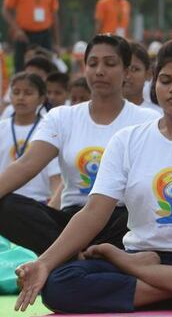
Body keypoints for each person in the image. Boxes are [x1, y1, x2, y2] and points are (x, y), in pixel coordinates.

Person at [14, 38, 172, 314]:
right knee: (59, 284)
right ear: (155, 85)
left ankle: (153, 282)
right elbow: (94, 211)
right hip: (144, 253)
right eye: (165, 80)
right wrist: (44, 263)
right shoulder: (128, 140)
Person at [0, 35, 159, 255]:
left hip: (119, 220)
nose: (99, 71)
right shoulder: (62, 117)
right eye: (92, 64)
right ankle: (73, 254)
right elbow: (26, 164)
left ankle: (74, 256)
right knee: (5, 206)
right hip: (69, 220)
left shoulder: (147, 119)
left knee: (134, 218)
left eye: (110, 64)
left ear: (126, 71)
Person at [0, 73, 60, 206]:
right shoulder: (2, 127)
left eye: (28, 93)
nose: (21, 98)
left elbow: (56, 176)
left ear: (41, 99)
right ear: (10, 96)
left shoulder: (48, 130)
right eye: (16, 92)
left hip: (37, 202)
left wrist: (54, 208)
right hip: (4, 199)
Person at [2, 0, 61, 72]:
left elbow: (54, 16)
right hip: (24, 35)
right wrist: (16, 30)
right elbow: (5, 10)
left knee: (46, 68)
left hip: (44, 34)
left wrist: (57, 43)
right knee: (21, 68)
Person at [124, 42, 161, 113]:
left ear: (148, 74)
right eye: (124, 68)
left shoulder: (158, 116)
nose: (128, 76)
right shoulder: (100, 114)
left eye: (135, 69)